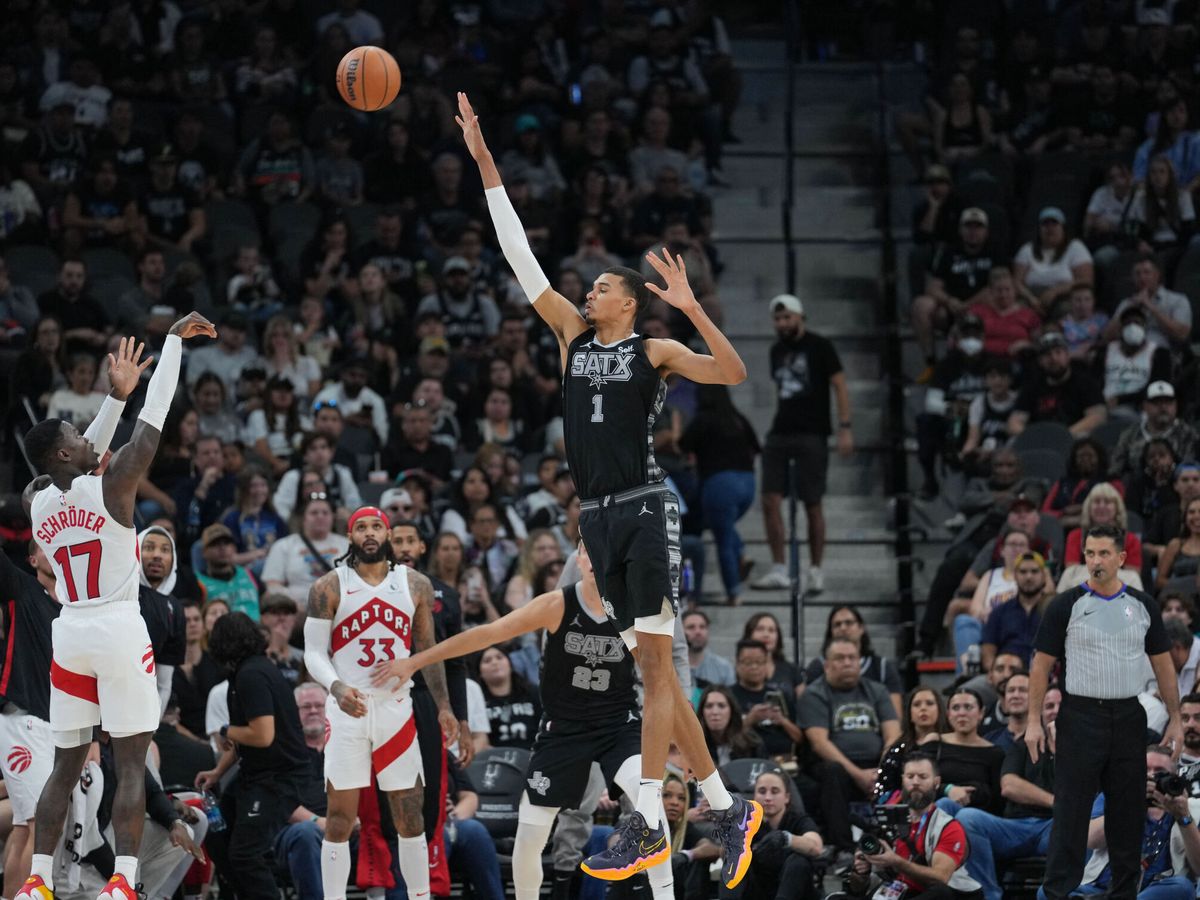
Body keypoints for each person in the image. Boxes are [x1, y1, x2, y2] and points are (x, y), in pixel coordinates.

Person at [457, 91, 759, 885]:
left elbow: (732, 372)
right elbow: (519, 255)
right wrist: (486, 165)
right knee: (657, 672)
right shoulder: (569, 333)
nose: (586, 293)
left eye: (598, 288)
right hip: (594, 518)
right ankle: (725, 808)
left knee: (655, 671)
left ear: (628, 299)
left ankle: (647, 818)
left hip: (644, 506)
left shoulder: (653, 349)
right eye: (586, 289)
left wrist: (691, 309)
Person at [18, 314, 215, 900]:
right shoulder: (114, 485)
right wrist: (172, 346)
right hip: (119, 627)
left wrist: (113, 397)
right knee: (131, 764)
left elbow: (79, 457)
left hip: (70, 631)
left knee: (64, 765)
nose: (89, 439)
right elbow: (154, 420)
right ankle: (124, 881)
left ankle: (37, 879)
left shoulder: (36, 501)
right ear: (64, 450)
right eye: (76, 435)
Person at [374, 540, 677, 900]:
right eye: (588, 550)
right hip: (563, 730)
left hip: (618, 725)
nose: (597, 558)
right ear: (578, 559)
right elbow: (487, 634)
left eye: (603, 551)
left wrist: (689, 750)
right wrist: (414, 661)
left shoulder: (634, 610)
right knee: (531, 834)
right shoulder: (557, 604)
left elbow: (665, 683)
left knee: (649, 802)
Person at [300, 506, 456, 900]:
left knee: (410, 816)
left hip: (396, 709)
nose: (369, 533)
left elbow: (428, 650)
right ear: (350, 536)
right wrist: (336, 687)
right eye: (361, 527)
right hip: (347, 709)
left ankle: (419, 896)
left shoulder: (415, 584)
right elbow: (313, 653)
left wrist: (444, 706)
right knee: (340, 819)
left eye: (376, 526)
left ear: (387, 534)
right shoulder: (328, 586)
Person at [1027, 523, 1182, 900]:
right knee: (1071, 811)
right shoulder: (1065, 604)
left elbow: (1163, 665)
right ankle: (1057, 893)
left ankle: (1124, 893)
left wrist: (1176, 718)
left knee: (1127, 811)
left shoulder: (1142, 605)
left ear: (1121, 558)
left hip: (1128, 714)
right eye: (1090, 553)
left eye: (1103, 553)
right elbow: (1040, 665)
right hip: (1079, 715)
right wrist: (1033, 720)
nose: (1095, 561)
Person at [196, 612, 309, 900]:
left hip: (278, 778)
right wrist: (217, 773)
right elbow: (244, 739)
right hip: (255, 774)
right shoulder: (242, 674)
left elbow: (262, 735)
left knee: (245, 854)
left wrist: (225, 729)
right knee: (218, 836)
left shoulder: (252, 675)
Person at [751, 292, 852, 595]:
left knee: (812, 502)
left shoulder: (820, 346)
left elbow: (839, 384)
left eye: (787, 317)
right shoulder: (776, 350)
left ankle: (816, 569)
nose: (782, 323)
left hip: (813, 431)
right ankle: (780, 568)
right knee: (769, 498)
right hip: (782, 429)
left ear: (800, 317)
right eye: (778, 319)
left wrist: (845, 426)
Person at [1045, 745, 1200, 899]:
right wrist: (1131, 803)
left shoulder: (1191, 808)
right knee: (1048, 892)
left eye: (1160, 772)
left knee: (1183, 887)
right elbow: (1091, 840)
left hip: (1156, 890)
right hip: (1103, 888)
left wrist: (1182, 816)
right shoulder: (1114, 797)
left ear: (1174, 777)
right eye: (1145, 770)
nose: (1151, 776)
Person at [955, 687, 1062, 900]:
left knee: (1083, 826)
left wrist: (1061, 749)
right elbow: (1009, 785)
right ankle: (988, 896)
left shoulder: (1082, 748)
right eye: (1049, 706)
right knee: (968, 818)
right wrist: (1055, 801)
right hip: (1014, 827)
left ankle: (1069, 894)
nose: (1055, 711)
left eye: (1061, 706)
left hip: (1055, 826)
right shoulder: (1023, 744)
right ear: (1040, 712)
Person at [797, 636, 899, 860]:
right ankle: (843, 847)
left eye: (852, 658)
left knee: (906, 763)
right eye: (840, 658)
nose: (847, 663)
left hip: (876, 763)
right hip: (833, 765)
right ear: (827, 665)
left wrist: (882, 769)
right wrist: (859, 775)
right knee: (834, 771)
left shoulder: (877, 690)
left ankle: (898, 841)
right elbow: (819, 743)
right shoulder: (814, 693)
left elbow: (893, 733)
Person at [843, 754, 984, 899]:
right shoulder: (886, 821)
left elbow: (941, 877)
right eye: (910, 777)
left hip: (934, 894)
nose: (915, 782)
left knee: (941, 893)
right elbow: (858, 889)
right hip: (898, 891)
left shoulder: (948, 827)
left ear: (936, 782)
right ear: (903, 780)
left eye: (923, 777)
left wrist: (896, 861)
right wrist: (861, 873)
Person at [726, 770, 823, 900]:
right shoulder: (746, 822)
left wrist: (786, 838)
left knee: (798, 861)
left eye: (775, 791)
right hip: (759, 889)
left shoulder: (798, 820)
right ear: (754, 796)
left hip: (795, 890)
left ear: (787, 797)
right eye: (762, 791)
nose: (768, 798)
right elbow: (724, 853)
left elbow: (816, 847)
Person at [923, 689, 1004, 814]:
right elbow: (919, 782)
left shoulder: (994, 752)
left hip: (976, 817)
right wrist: (948, 789)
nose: (961, 713)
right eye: (955, 708)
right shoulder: (935, 742)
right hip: (936, 812)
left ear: (981, 713)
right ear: (948, 714)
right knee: (944, 804)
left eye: (968, 707)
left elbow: (997, 800)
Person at [875, 686, 948, 800]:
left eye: (929, 703)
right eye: (917, 704)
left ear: (940, 710)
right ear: (909, 713)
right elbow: (884, 791)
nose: (923, 708)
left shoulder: (951, 745)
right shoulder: (898, 750)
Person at [683, 609, 735, 688]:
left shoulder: (724, 668)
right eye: (691, 627)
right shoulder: (669, 666)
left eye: (702, 627)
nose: (698, 632)